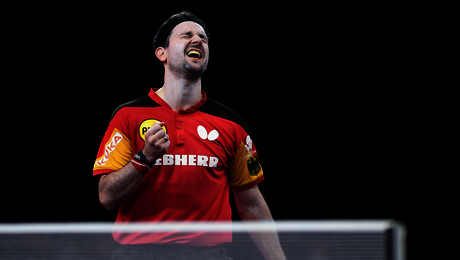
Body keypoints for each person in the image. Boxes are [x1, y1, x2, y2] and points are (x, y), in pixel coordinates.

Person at [93, 11, 286, 260]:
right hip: (137, 254)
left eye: (203, 38)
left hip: (208, 255)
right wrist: (144, 158)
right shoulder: (128, 116)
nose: (198, 40)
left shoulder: (232, 125)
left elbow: (251, 204)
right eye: (187, 35)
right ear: (161, 53)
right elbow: (107, 197)